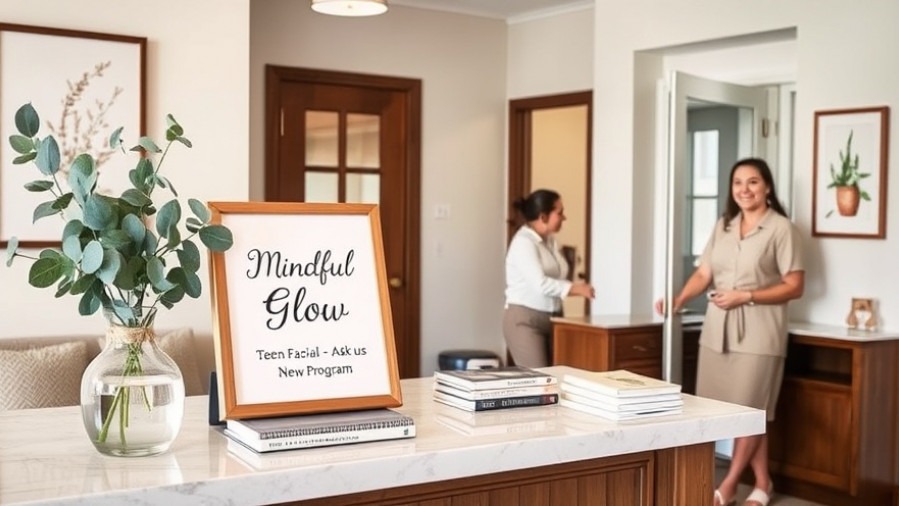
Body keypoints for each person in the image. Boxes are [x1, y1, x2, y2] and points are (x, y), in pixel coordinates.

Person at [654, 158, 804, 506]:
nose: (745, 189)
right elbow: (705, 273)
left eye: (753, 182)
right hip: (717, 332)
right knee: (734, 412)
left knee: (752, 409)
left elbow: (795, 286)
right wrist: (678, 299)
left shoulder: (782, 229)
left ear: (767, 187)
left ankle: (730, 483)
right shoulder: (723, 226)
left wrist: (746, 295)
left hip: (760, 334)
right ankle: (764, 483)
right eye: (738, 182)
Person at [503, 189, 595, 367]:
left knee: (557, 379)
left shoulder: (551, 241)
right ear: (543, 217)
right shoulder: (524, 242)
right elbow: (540, 284)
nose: (564, 218)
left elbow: (559, 273)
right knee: (539, 382)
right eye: (559, 213)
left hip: (554, 318)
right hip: (526, 320)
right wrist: (575, 288)